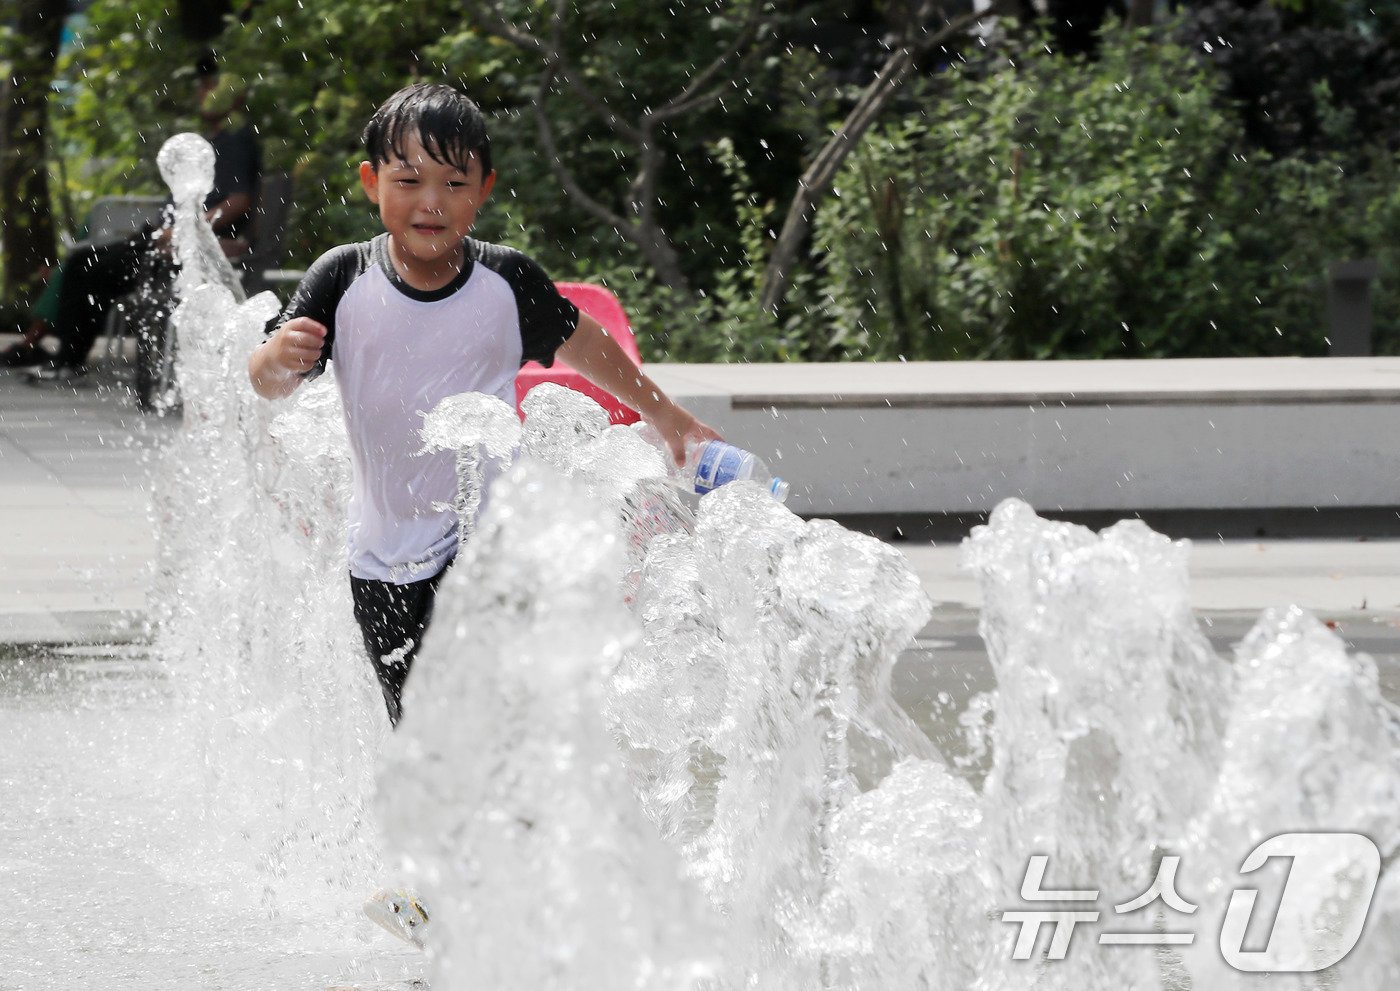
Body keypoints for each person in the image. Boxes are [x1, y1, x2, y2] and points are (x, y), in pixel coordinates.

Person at [248, 83, 720, 727]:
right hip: (380, 560)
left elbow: (586, 344)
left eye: (454, 182)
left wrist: (664, 415)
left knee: (473, 716)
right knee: (418, 737)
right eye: (409, 180)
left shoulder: (506, 280)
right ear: (371, 182)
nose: (432, 203)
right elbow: (268, 383)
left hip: (483, 546)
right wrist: (277, 359)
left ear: (484, 188)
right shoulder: (341, 277)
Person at [26, 54, 260, 383]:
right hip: (164, 239)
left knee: (86, 267)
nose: (203, 93)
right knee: (86, 264)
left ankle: (68, 359)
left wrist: (188, 231)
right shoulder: (217, 140)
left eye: (211, 86)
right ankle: (67, 356)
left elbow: (238, 201)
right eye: (202, 86)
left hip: (177, 246)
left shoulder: (235, 141)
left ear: (233, 95)